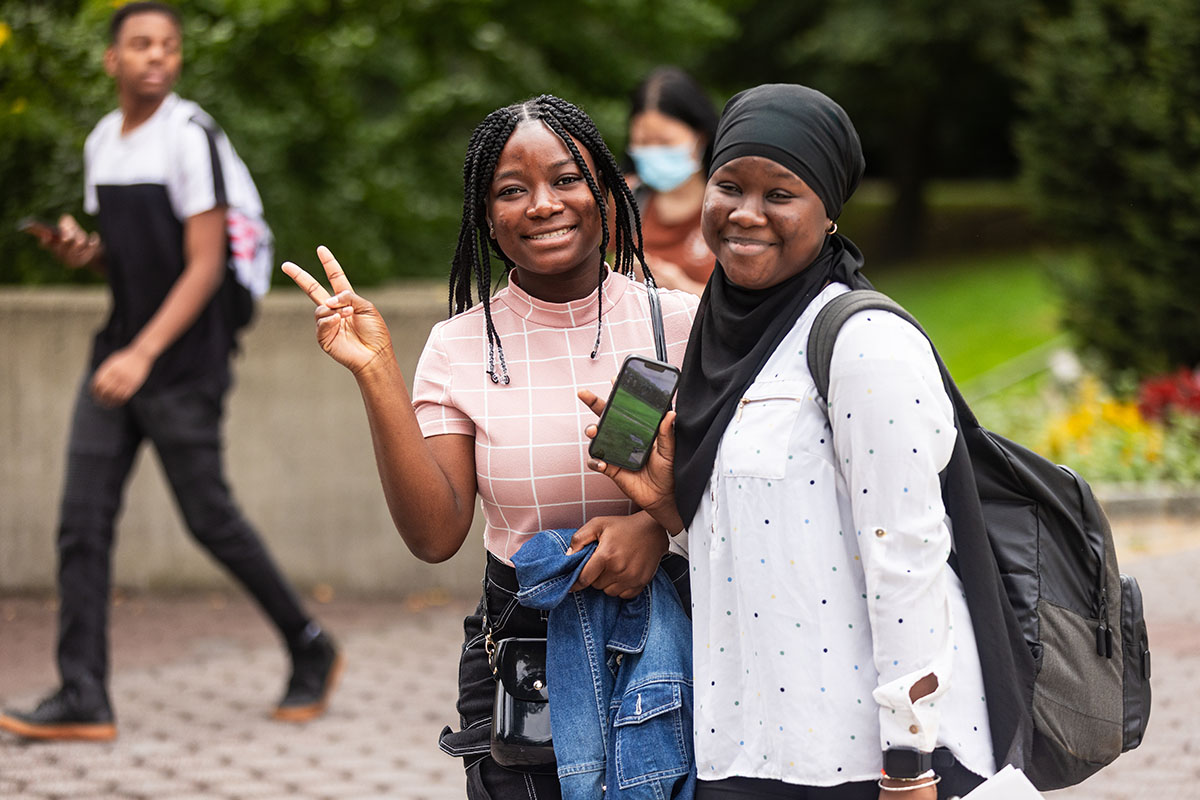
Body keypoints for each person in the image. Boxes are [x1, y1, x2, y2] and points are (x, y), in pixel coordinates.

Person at [579, 84, 1000, 799]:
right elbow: (781, 537)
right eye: (729, 185)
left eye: (781, 193)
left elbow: (909, 560)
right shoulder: (719, 338)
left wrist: (909, 763)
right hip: (743, 746)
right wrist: (671, 510)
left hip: (862, 759)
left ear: (829, 212)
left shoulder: (863, 342)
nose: (746, 213)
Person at [282, 94, 699, 799]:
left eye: (566, 179)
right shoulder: (457, 346)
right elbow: (435, 533)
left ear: (608, 190)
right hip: (524, 656)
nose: (543, 204)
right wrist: (377, 371)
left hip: (666, 642)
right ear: (486, 216)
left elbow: (740, 488)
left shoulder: (681, 325)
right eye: (512, 189)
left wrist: (652, 528)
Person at [0, 2, 340, 743]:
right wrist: (82, 254)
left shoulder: (190, 136)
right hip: (119, 349)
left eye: (169, 45)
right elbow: (127, 257)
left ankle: (310, 645)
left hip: (180, 360)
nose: (157, 56)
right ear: (111, 61)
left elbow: (205, 263)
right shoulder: (103, 142)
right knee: (79, 525)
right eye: (140, 44)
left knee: (208, 518)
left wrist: (143, 355)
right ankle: (83, 693)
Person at [625, 67, 719, 296]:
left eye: (665, 142)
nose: (653, 152)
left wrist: (680, 288)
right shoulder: (621, 200)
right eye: (642, 142)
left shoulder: (731, 207)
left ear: (701, 137)